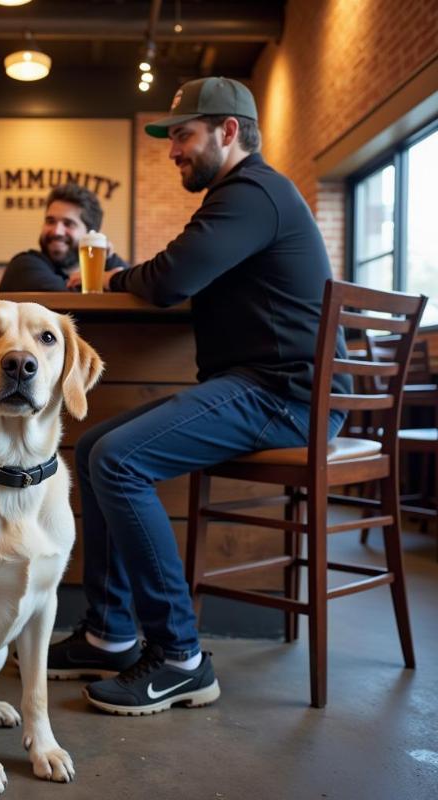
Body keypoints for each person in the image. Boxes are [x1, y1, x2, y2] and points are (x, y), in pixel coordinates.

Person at [58, 77, 350, 715]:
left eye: (183, 135)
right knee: (92, 446)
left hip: (285, 397)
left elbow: (170, 279)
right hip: (259, 387)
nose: (172, 151)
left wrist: (118, 276)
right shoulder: (245, 196)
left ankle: (180, 658)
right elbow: (178, 271)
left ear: (228, 132)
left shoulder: (254, 192)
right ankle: (109, 633)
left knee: (118, 459)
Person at [0, 182, 128, 291]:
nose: (57, 231)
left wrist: (108, 259)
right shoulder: (24, 266)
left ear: (90, 234)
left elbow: (138, 290)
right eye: (50, 221)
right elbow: (71, 303)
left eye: (68, 224)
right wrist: (107, 282)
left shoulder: (109, 262)